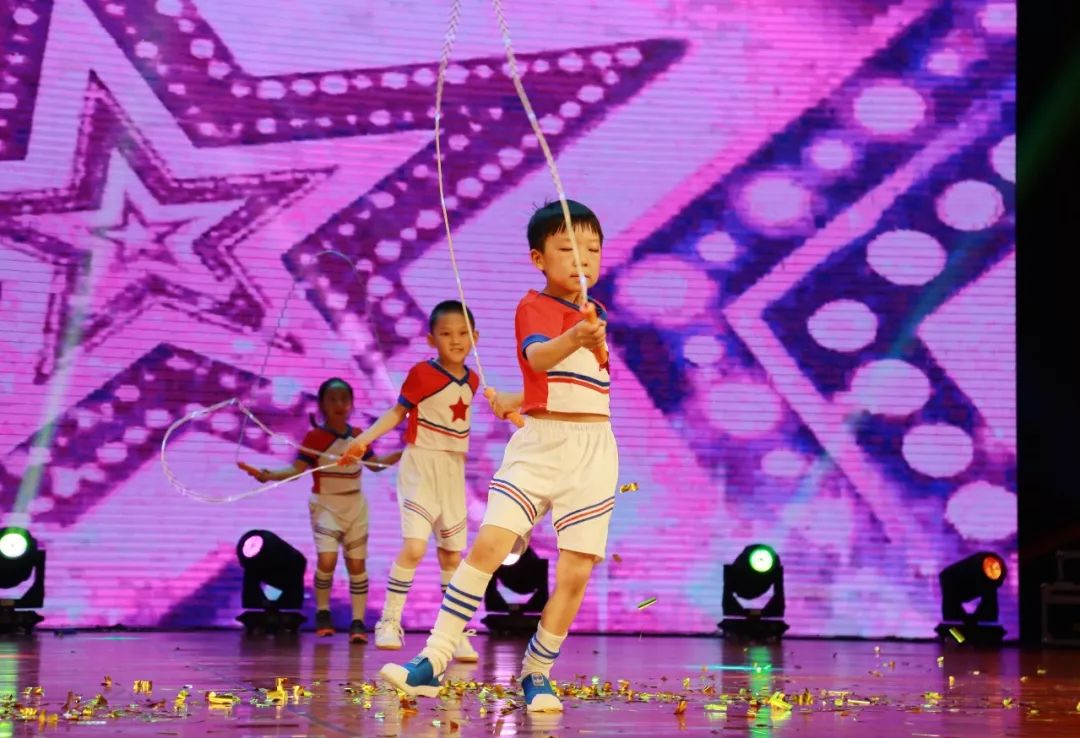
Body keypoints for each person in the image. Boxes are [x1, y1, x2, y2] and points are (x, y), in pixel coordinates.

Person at [376, 201, 617, 712]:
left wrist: (516, 398)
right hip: (540, 448)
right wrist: (576, 336)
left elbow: (575, 387)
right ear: (538, 259)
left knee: (576, 572)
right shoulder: (534, 307)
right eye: (567, 249)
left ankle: (537, 672)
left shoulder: (595, 314)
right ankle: (434, 658)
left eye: (593, 249)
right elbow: (539, 357)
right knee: (490, 545)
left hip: (594, 452)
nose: (582, 259)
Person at [341, 301, 482, 663]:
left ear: (475, 338)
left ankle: (452, 633)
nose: (456, 340)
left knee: (452, 555)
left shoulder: (474, 380)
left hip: (453, 471)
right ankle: (389, 621)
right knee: (416, 547)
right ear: (431, 339)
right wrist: (363, 441)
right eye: (446, 334)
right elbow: (396, 413)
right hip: (421, 465)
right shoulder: (422, 373)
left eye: (463, 333)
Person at [240, 377, 400, 643]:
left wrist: (406, 452)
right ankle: (323, 613)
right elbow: (296, 470)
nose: (339, 404)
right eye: (332, 399)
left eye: (344, 399)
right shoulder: (315, 437)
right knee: (327, 560)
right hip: (325, 505)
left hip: (355, 506)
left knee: (356, 564)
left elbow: (376, 465)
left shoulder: (359, 436)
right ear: (323, 405)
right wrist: (268, 475)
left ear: (351, 404)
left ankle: (358, 622)